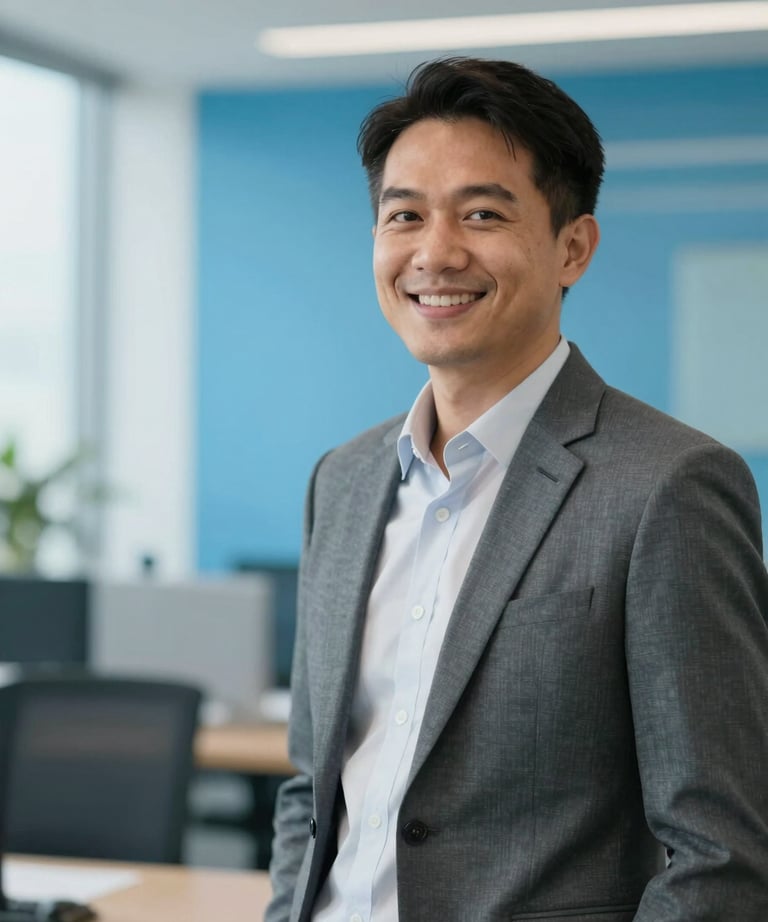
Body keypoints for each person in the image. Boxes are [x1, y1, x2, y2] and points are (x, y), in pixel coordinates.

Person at [265, 57, 768, 922]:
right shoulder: (341, 482)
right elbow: (314, 793)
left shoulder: (669, 486)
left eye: (483, 214)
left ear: (573, 245)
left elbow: (721, 854)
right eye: (405, 216)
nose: (436, 253)